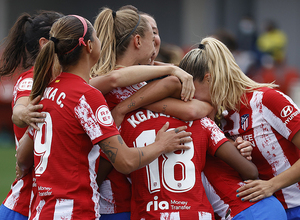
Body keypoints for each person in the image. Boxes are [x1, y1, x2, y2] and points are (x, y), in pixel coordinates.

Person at [15, 15, 192, 219]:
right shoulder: (87, 96)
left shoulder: (47, 91)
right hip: (74, 212)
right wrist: (162, 144)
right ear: (89, 46)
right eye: (97, 36)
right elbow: (124, 161)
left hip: (41, 211)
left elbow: (22, 156)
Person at [90, 6, 213, 220]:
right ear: (138, 41)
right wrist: (171, 70)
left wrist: (130, 105)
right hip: (116, 201)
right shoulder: (113, 83)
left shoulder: (137, 86)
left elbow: (197, 108)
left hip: (116, 198)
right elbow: (198, 109)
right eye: (152, 34)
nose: (157, 41)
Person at [179, 36, 300, 220]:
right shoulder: (222, 117)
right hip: (268, 209)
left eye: (191, 89)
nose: (189, 98)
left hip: (295, 206)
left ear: (208, 79)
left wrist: (272, 185)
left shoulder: (267, 100)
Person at [119, 107, 258, 219]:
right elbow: (250, 171)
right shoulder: (201, 120)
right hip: (198, 213)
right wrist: (240, 146)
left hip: (151, 213)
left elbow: (103, 172)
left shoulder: (122, 123)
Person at [0, 10, 64, 219]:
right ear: (45, 43)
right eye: (65, 37)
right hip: (24, 207)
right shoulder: (32, 79)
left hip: (48, 206)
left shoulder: (63, 80)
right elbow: (20, 108)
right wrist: (22, 113)